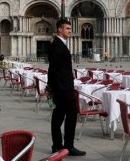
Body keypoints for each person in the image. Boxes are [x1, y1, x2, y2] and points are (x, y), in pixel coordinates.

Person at [47, 19, 85, 156]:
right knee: (71, 114)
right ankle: (68, 146)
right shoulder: (57, 45)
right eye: (67, 28)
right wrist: (56, 89)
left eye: (70, 28)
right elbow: (54, 70)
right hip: (63, 89)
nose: (70, 31)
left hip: (62, 87)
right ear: (60, 30)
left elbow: (53, 69)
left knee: (58, 117)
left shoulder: (58, 44)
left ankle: (58, 146)